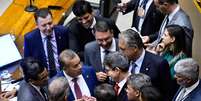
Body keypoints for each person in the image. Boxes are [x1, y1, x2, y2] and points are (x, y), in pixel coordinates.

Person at [118, 29, 173, 100]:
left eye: (123, 49)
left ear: (135, 48)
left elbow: (167, 93)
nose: (120, 52)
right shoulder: (123, 62)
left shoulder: (159, 64)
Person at [24, 8, 69, 78]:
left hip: (64, 73)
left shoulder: (63, 31)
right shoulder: (30, 39)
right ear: (37, 25)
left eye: (50, 23)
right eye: (44, 25)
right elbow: (27, 62)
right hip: (44, 78)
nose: (48, 28)